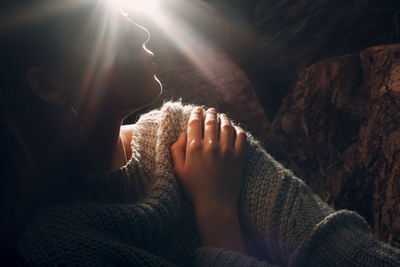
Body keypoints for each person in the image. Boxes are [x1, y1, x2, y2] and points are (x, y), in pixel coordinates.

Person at [1, 0, 400, 266]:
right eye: (103, 26)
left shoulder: (187, 133)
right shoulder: (56, 243)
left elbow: (345, 252)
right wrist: (216, 211)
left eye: (123, 13)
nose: (140, 31)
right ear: (48, 86)